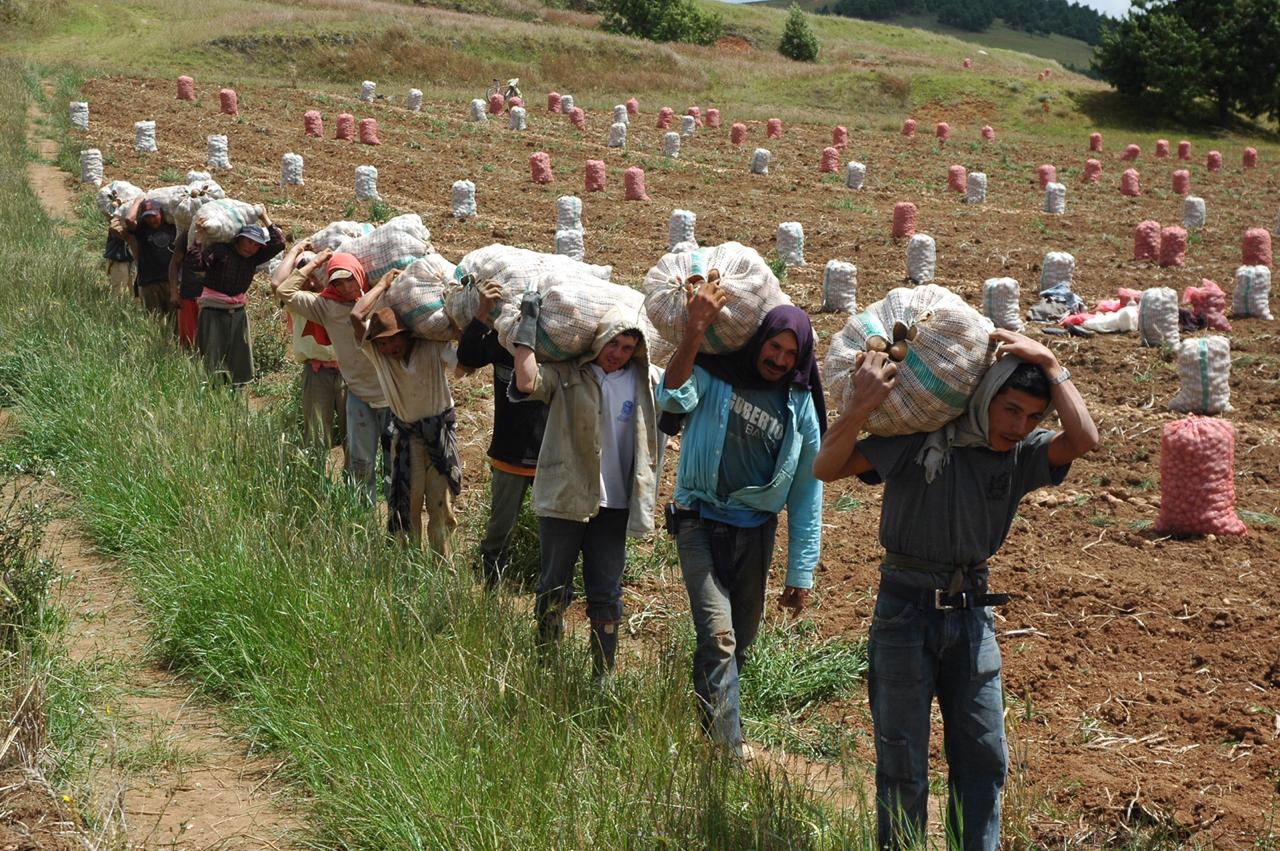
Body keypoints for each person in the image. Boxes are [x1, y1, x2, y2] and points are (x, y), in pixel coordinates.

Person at [812, 329, 1100, 851]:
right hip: (904, 610)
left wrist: (1052, 364)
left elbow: (1084, 439)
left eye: (1034, 418)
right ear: (987, 397)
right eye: (1011, 410)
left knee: (985, 758)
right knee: (903, 764)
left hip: (972, 616)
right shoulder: (919, 437)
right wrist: (861, 404)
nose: (1020, 427)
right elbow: (825, 466)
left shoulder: (1021, 457)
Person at [656, 280, 825, 758]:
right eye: (773, 346)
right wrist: (695, 330)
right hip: (697, 520)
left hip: (756, 532)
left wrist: (801, 571)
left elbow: (808, 492)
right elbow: (670, 401)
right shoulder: (717, 376)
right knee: (719, 635)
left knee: (738, 644)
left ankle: (708, 735)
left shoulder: (800, 407)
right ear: (759, 342)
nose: (778, 358)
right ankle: (728, 755)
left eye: (791, 353)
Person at [510, 295, 660, 682]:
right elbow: (526, 381)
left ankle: (602, 676)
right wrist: (527, 326)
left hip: (615, 504)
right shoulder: (568, 374)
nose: (618, 354)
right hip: (566, 496)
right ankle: (546, 664)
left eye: (628, 348)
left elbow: (680, 388)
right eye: (613, 344)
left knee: (607, 591)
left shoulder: (643, 381)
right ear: (598, 340)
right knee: (553, 584)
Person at [350, 271, 460, 559]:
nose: (388, 348)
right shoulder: (378, 355)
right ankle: (410, 567)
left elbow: (463, 362)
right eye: (382, 343)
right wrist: (383, 285)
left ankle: (441, 566)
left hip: (438, 437)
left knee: (439, 505)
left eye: (393, 340)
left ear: (407, 334)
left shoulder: (432, 345)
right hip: (407, 438)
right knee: (407, 506)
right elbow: (356, 316)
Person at [272, 249, 391, 504]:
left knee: (390, 463)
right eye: (337, 281)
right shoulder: (324, 306)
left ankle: (398, 524)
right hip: (355, 391)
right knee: (353, 456)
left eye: (350, 279)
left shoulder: (375, 301)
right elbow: (283, 291)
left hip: (389, 395)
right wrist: (315, 261)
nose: (346, 287)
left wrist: (382, 285)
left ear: (360, 275)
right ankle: (346, 508)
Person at [456, 280, 547, 586]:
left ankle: (548, 587)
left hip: (552, 455)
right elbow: (468, 357)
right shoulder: (503, 342)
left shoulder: (556, 346)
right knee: (499, 530)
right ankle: (490, 587)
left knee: (555, 532)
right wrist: (482, 312)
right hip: (511, 451)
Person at [270, 242, 346, 461]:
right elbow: (277, 284)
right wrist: (296, 252)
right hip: (317, 373)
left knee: (352, 434)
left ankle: (355, 488)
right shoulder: (299, 302)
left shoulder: (336, 300)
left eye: (316, 275)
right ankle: (315, 484)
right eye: (306, 277)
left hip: (347, 373)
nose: (312, 282)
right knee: (316, 434)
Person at [196, 213, 285, 385]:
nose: (251, 247)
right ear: (238, 239)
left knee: (239, 356)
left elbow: (279, 243)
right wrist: (199, 237)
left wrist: (265, 217)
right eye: (248, 241)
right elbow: (197, 264)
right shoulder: (220, 251)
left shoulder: (254, 258)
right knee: (212, 356)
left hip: (237, 312)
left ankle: (236, 391)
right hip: (212, 311)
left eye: (256, 245)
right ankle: (211, 391)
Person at [116, 198, 176, 315]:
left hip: (171, 283)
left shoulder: (172, 228)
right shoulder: (142, 230)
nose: (151, 220)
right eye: (148, 217)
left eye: (154, 215)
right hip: (149, 284)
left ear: (161, 213)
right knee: (154, 321)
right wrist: (138, 201)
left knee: (174, 323)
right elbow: (129, 220)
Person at [168, 228, 206, 348]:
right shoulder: (188, 234)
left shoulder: (222, 234)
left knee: (207, 340)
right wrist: (174, 292)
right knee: (188, 342)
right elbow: (174, 264)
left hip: (211, 298)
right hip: (188, 294)